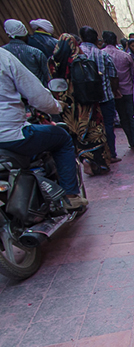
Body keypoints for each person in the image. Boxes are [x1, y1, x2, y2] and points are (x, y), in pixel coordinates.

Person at [0, 48, 87, 210]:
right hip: (12, 136)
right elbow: (37, 95)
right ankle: (71, 196)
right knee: (62, 138)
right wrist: (56, 106)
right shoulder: (4, 58)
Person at [49, 33, 112, 176]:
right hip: (86, 105)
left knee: (76, 134)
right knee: (93, 133)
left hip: (66, 107)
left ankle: (83, 159)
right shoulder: (81, 60)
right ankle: (97, 163)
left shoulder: (53, 62)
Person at [79, 26, 120, 163]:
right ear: (97, 39)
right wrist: (114, 91)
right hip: (105, 97)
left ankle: (92, 158)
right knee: (108, 126)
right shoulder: (102, 54)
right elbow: (113, 76)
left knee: (89, 128)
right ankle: (111, 154)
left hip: (85, 100)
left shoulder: (78, 55)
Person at [102, 31, 134, 156]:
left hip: (114, 93)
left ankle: (132, 142)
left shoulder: (102, 55)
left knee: (123, 118)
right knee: (133, 116)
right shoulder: (125, 56)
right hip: (129, 91)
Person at [3, 20, 50, 86]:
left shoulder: (3, 52)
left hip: (16, 94)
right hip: (39, 91)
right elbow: (48, 76)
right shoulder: (36, 53)